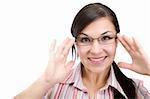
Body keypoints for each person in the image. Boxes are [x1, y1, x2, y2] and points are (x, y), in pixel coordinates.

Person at [14, 3, 150, 99]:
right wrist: (46, 80)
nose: (96, 50)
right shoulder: (52, 87)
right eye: (85, 40)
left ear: (117, 41)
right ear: (75, 44)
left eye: (106, 37)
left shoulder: (135, 90)